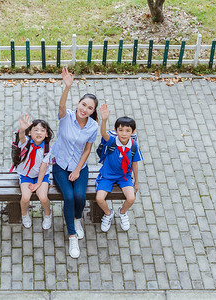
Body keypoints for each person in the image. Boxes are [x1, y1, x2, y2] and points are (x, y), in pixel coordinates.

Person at [52, 67, 99, 259]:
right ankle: (72, 236)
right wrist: (67, 87)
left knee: (80, 196)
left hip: (79, 167)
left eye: (89, 108)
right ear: (78, 103)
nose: (85, 109)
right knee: (69, 197)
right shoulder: (67, 117)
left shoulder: (93, 126)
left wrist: (78, 170)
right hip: (60, 165)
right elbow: (62, 107)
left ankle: (77, 219)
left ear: (93, 111)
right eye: (83, 104)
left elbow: (87, 149)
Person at [95, 104, 143, 232]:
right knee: (99, 198)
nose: (124, 133)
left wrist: (136, 182)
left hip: (124, 176)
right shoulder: (112, 141)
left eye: (128, 131)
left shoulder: (134, 146)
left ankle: (122, 212)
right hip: (107, 176)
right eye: (121, 130)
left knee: (131, 198)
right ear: (116, 130)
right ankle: (108, 213)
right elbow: (103, 133)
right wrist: (104, 120)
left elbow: (135, 164)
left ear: (133, 132)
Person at [16, 114, 54, 230]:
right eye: (35, 130)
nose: (39, 133)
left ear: (46, 134)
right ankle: (24, 214)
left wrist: (38, 183)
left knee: (42, 197)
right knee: (26, 197)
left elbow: (43, 167)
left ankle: (48, 214)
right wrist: (22, 129)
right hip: (26, 175)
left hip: (41, 175)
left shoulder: (47, 148)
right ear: (29, 133)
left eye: (42, 130)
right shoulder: (25, 142)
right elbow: (21, 136)